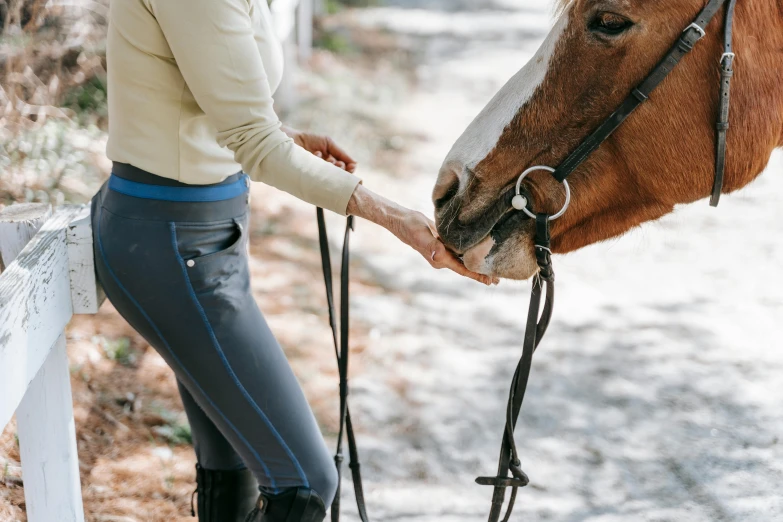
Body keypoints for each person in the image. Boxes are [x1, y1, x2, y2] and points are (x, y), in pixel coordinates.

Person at [91, 0, 493, 520]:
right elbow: (253, 143)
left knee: (232, 454)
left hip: (203, 238)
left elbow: (209, 99)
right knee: (305, 482)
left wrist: (287, 139)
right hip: (169, 244)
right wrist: (398, 219)